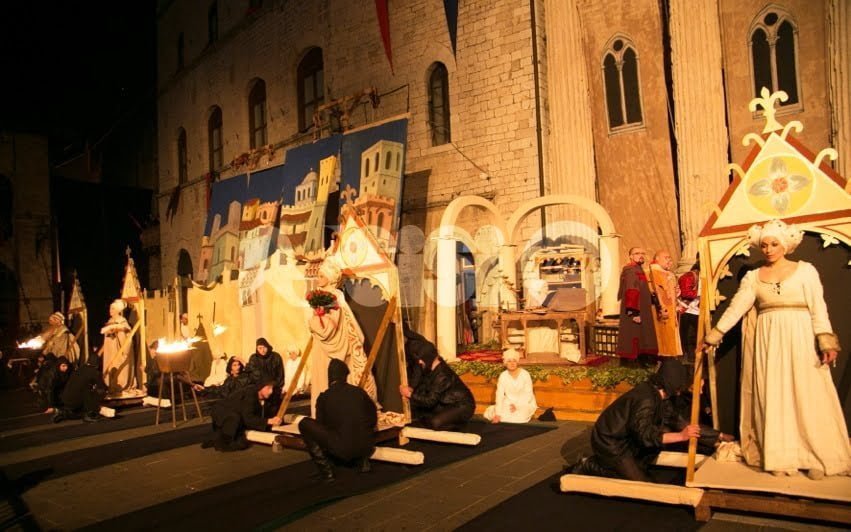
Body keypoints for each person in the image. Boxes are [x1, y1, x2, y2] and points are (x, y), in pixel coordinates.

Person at [701, 220, 851, 479]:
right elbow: (737, 307)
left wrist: (825, 340)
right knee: (775, 395)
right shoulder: (753, 277)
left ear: (785, 245)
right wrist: (716, 334)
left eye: (774, 244)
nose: (769, 249)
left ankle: (816, 457)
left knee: (807, 393)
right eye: (764, 245)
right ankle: (782, 457)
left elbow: (818, 307)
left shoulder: (805, 271)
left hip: (800, 336)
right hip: (769, 339)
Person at [566, 360, 706, 482]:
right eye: (679, 388)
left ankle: (630, 463)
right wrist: (681, 436)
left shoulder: (656, 393)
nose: (680, 392)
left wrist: (715, 437)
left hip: (627, 437)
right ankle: (589, 464)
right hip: (610, 441)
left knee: (643, 463)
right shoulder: (646, 400)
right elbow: (645, 435)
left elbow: (674, 420)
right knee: (640, 483)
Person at [307, 257, 378, 417]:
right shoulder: (322, 296)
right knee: (321, 377)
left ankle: (333, 415)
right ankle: (322, 414)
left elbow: (327, 330)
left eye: (321, 276)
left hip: (331, 347)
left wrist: (313, 321)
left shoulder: (334, 298)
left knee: (329, 377)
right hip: (321, 347)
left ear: (330, 277)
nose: (318, 278)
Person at [299, 359, 378, 482]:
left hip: (343, 448)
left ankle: (326, 471)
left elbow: (321, 425)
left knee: (304, 423)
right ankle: (362, 460)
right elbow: (372, 417)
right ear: (345, 375)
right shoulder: (359, 392)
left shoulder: (324, 397)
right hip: (366, 446)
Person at [400, 338, 475, 431]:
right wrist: (413, 392)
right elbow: (426, 389)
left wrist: (409, 394)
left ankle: (459, 425)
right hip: (446, 402)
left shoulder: (442, 374)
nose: (420, 362)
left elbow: (430, 400)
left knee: (434, 423)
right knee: (420, 416)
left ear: (428, 357)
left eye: (421, 359)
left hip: (462, 405)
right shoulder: (431, 368)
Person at [203, 381, 282, 452]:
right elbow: (248, 418)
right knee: (235, 422)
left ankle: (217, 439)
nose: (271, 391)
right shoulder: (249, 395)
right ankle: (223, 442)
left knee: (242, 442)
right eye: (268, 388)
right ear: (260, 387)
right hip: (223, 413)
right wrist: (268, 421)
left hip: (236, 416)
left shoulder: (264, 398)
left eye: (272, 388)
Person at [616, 247, 658, 361]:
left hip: (641, 307)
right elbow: (631, 290)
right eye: (637, 253)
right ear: (631, 256)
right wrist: (634, 312)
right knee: (634, 334)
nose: (641, 255)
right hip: (635, 309)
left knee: (641, 334)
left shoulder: (638, 269)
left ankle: (640, 361)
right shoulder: (631, 270)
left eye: (642, 253)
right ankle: (633, 363)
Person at [483, 348, 537, 424]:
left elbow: (528, 394)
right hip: (508, 402)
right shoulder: (503, 376)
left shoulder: (525, 374)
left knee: (520, 417)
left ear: (517, 362)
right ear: (505, 363)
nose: (512, 363)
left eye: (514, 360)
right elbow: (500, 395)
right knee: (500, 415)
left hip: (524, 402)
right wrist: (498, 413)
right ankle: (495, 410)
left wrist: (517, 405)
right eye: (509, 361)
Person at [53, 353, 108, 423]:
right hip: (77, 400)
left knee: (83, 391)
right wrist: (106, 390)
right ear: (97, 364)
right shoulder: (94, 372)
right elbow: (102, 387)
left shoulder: (79, 369)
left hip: (66, 399)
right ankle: (88, 414)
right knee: (94, 392)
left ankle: (64, 413)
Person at [649, 250, 682, 358]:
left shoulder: (667, 273)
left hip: (671, 307)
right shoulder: (655, 272)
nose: (669, 260)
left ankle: (671, 355)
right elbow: (657, 291)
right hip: (664, 308)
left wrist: (676, 292)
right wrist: (662, 307)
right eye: (666, 258)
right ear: (657, 259)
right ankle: (667, 356)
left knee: (671, 333)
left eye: (670, 258)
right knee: (665, 335)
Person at [100, 299, 136, 396]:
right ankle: (111, 385)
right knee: (110, 366)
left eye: (112, 309)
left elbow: (126, 335)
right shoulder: (110, 321)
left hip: (118, 350)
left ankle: (120, 386)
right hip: (110, 350)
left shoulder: (122, 321)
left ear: (118, 310)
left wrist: (117, 329)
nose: (110, 311)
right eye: (110, 308)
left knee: (119, 366)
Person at [677, 258, 701, 367]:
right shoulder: (689, 276)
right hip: (688, 310)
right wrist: (699, 293)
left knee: (696, 336)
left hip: (698, 311)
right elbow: (685, 292)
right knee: (688, 336)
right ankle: (688, 359)